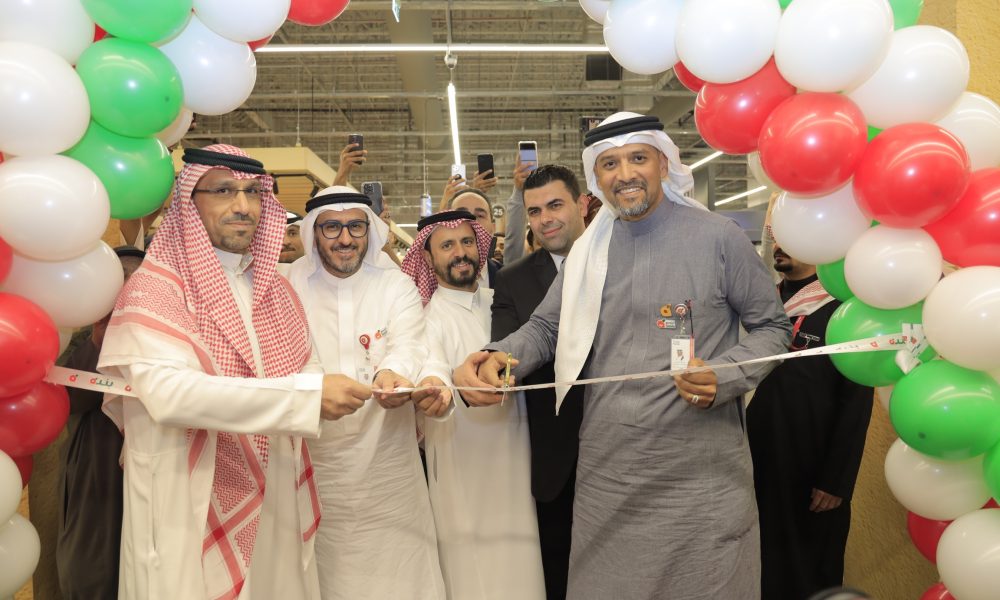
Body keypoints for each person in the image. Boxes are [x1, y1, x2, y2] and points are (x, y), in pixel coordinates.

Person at [454, 112, 792, 600]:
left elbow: (773, 328)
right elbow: (547, 328)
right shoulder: (589, 251)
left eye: (638, 158)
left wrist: (727, 374)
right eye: (609, 163)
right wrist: (496, 355)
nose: (625, 174)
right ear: (596, 177)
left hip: (700, 477)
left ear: (663, 163)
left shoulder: (719, 238)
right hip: (608, 477)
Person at [98, 145, 373, 600]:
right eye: (224, 191)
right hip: (190, 494)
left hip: (277, 493)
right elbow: (172, 396)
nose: (243, 205)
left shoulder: (275, 289)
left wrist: (323, 390)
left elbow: (309, 366)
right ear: (189, 201)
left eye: (252, 192)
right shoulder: (155, 288)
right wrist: (306, 398)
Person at [287, 186, 449, 600]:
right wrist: (316, 388)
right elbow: (288, 353)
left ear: (369, 229)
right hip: (316, 467)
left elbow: (409, 341)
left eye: (355, 226)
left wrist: (394, 372)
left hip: (388, 467)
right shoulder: (288, 284)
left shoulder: (395, 284)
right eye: (332, 227)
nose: (345, 238)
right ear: (313, 232)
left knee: (402, 577)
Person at [401, 210, 545, 600]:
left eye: (467, 242)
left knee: (523, 557)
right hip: (462, 461)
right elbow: (431, 378)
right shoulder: (424, 319)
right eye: (447, 245)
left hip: (519, 456)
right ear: (427, 257)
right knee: (472, 565)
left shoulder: (503, 301)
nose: (460, 253)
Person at [747, 244, 873, 600]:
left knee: (807, 568)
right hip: (760, 456)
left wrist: (836, 480)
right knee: (761, 561)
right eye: (778, 238)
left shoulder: (842, 311)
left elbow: (856, 401)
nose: (779, 246)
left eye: (793, 240)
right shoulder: (764, 304)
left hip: (812, 468)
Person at [489, 164, 588, 600]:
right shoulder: (513, 280)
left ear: (582, 204)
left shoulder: (623, 260)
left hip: (627, 448)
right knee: (559, 573)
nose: (545, 219)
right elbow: (509, 354)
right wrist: (490, 369)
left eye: (555, 205)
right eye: (534, 211)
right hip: (555, 458)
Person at [56, 246, 143, 600]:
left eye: (135, 278)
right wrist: (99, 340)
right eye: (119, 278)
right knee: (95, 565)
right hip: (98, 464)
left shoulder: (169, 330)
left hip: (155, 459)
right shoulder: (78, 332)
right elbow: (68, 399)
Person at [446, 188, 502, 287]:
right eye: (461, 215)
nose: (472, 222)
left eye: (480, 216)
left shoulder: (511, 280)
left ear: (492, 228)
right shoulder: (433, 281)